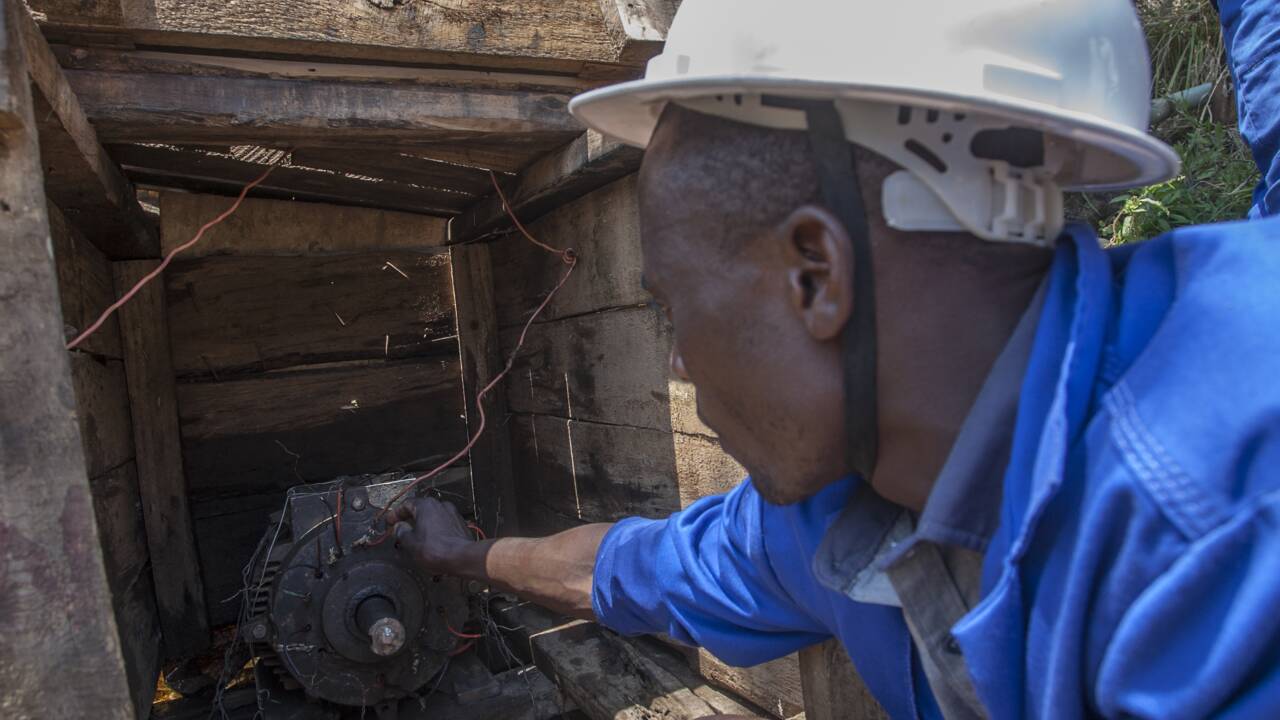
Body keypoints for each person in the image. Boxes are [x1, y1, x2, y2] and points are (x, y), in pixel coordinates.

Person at [394, 0, 1280, 717]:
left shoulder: (1224, 528)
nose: (674, 362)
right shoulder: (842, 514)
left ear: (816, 275)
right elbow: (629, 568)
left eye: (672, 306)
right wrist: (462, 558)